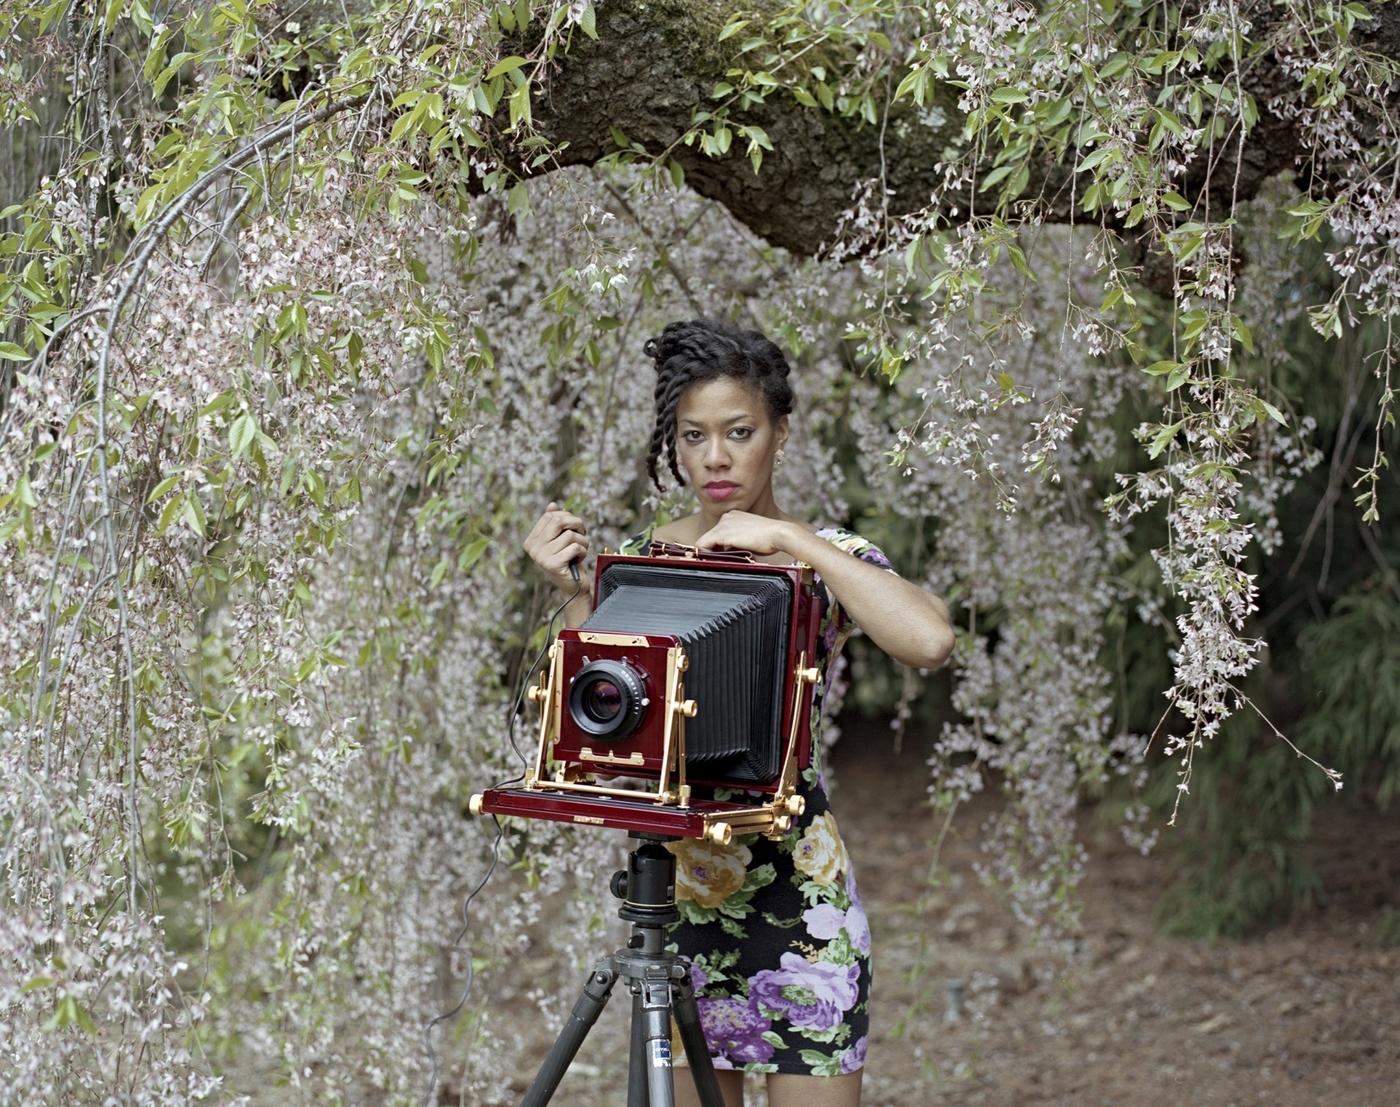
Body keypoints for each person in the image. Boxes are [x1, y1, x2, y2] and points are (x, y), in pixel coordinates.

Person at [523, 318, 954, 1107]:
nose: (716, 457)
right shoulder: (641, 562)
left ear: (780, 434)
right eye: (694, 435)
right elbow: (584, 722)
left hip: (802, 903)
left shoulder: (824, 556)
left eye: (739, 431)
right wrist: (575, 594)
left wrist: (800, 542)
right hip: (679, 900)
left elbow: (929, 639)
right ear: (674, 445)